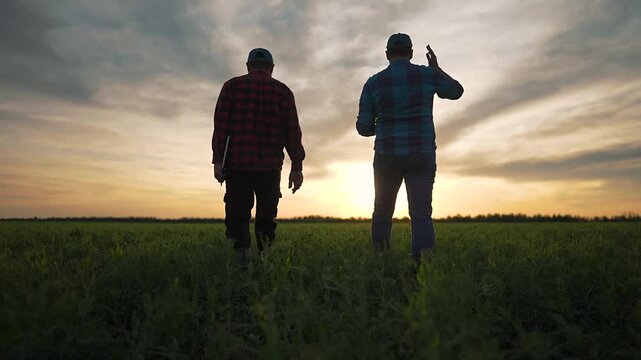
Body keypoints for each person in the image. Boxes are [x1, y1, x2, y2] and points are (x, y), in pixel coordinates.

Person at [356, 33, 464, 261]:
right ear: (412, 53)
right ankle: (421, 263)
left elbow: (364, 128)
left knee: (383, 210)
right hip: (422, 153)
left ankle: (381, 260)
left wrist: (386, 124)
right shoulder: (427, 75)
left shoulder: (373, 82)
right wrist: (437, 68)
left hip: (387, 155)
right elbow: (456, 91)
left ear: (387, 55)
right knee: (421, 211)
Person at [212, 48, 305, 266]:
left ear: (248, 67)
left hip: (237, 165)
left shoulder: (231, 86)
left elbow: (221, 127)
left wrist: (218, 161)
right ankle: (264, 258)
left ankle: (240, 259)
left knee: (237, 213)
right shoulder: (283, 91)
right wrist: (297, 166)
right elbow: (292, 131)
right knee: (266, 215)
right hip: (270, 167)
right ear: (271, 69)